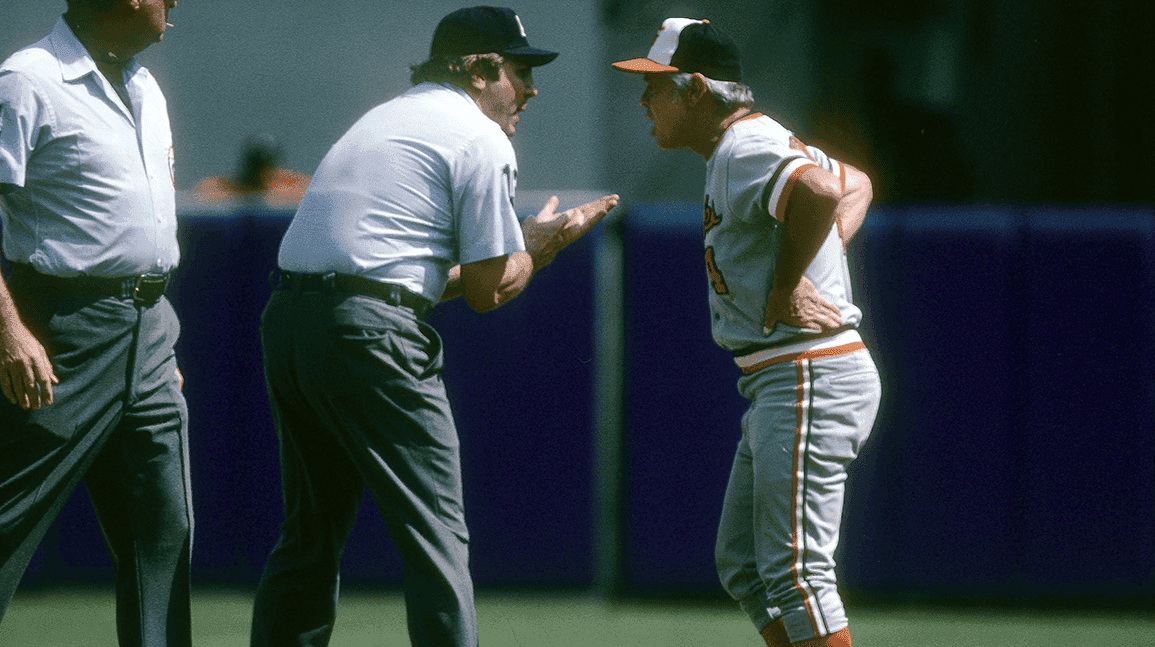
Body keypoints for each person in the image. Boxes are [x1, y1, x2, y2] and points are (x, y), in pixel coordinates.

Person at [249, 7, 618, 647]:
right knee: (435, 536)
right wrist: (540, 248)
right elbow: (485, 291)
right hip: (369, 333)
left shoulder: (384, 117)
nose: (531, 89)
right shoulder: (479, 137)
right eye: (519, 70)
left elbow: (390, 277)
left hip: (290, 320)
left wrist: (520, 250)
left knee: (308, 538)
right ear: (477, 70)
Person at [613, 18, 880, 647]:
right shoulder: (741, 146)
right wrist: (819, 255)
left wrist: (791, 282)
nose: (643, 99)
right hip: (783, 376)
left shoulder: (744, 145)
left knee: (797, 575)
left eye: (656, 85)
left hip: (808, 369)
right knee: (745, 567)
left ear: (698, 89)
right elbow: (855, 184)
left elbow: (820, 190)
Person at [0, 1, 191, 646]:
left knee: (163, 529)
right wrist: (9, 331)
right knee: (10, 518)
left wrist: (151, 340)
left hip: (149, 329)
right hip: (61, 326)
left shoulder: (144, 84)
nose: (175, 4)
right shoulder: (29, 78)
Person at [191, 134, 312, 208]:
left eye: (265, 168)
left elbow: (314, 192)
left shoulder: (289, 184)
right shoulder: (226, 186)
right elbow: (201, 192)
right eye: (256, 166)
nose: (260, 173)